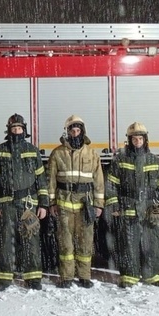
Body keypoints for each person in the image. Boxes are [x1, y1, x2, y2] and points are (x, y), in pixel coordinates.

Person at [104, 122, 159, 288]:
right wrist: (114, 206)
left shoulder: (154, 160)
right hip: (128, 207)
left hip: (151, 208)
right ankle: (129, 276)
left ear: (145, 140)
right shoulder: (120, 160)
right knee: (129, 243)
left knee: (152, 243)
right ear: (129, 140)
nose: (137, 142)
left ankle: (152, 275)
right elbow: (111, 185)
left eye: (140, 138)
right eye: (134, 139)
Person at [0, 114, 49, 291]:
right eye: (13, 129)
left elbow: (41, 180)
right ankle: (4, 279)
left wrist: (43, 204)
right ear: (9, 131)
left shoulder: (32, 150)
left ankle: (33, 278)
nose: (16, 131)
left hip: (28, 204)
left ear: (24, 130)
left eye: (19, 129)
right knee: (6, 241)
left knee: (31, 240)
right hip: (6, 204)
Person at [47, 115, 104, 289]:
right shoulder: (57, 153)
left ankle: (84, 276)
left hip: (85, 206)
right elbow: (50, 181)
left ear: (82, 131)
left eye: (78, 130)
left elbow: (98, 181)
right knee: (65, 243)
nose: (75, 133)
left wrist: (98, 204)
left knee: (86, 242)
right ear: (67, 132)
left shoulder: (91, 153)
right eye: (72, 130)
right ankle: (66, 277)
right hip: (64, 205)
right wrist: (51, 203)